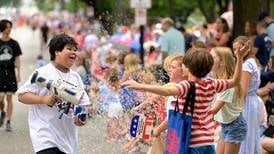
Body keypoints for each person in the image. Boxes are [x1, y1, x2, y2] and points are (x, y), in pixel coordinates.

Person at [122, 42, 249, 153]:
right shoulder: (212, 83)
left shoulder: (187, 86)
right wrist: (239, 58)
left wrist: (140, 86)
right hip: (207, 142)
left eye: (184, 65)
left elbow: (166, 91)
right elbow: (235, 81)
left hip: (191, 142)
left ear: (188, 68)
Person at [16, 33, 90, 154]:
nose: (74, 52)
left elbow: (82, 103)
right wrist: (44, 100)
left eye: (75, 50)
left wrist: (81, 116)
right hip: (44, 135)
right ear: (57, 52)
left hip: (67, 139)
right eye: (69, 49)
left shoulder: (75, 77)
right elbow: (21, 96)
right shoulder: (42, 73)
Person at [210, 47, 247, 154]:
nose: (208, 60)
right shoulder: (218, 79)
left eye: (212, 57)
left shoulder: (226, 84)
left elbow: (214, 110)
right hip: (225, 125)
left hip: (235, 126)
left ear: (222, 62)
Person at [235, 36, 262, 154]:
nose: (237, 52)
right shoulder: (252, 62)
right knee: (251, 135)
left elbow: (243, 91)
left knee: (245, 137)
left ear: (246, 48)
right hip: (253, 101)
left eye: (239, 48)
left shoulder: (246, 65)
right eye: (234, 49)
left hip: (246, 104)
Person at [0, 19, 22, 131]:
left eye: (10, 27)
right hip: (0, 73)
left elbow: (18, 59)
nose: (9, 29)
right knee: (0, 98)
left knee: (9, 98)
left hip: (10, 73)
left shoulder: (14, 43)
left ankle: (8, 121)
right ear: (2, 28)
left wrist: (18, 73)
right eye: (8, 27)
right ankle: (2, 112)